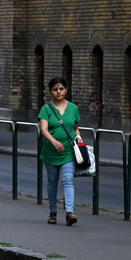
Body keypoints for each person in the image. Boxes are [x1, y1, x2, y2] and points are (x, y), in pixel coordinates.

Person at [38, 76, 80, 226]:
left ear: (66, 90)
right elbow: (43, 130)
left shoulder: (73, 108)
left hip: (68, 150)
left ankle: (69, 212)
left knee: (68, 179)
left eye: (61, 89)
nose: (59, 92)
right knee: (52, 181)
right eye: (55, 89)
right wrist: (54, 141)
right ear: (51, 92)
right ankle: (53, 212)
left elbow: (75, 127)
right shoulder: (46, 109)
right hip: (50, 151)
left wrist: (79, 137)